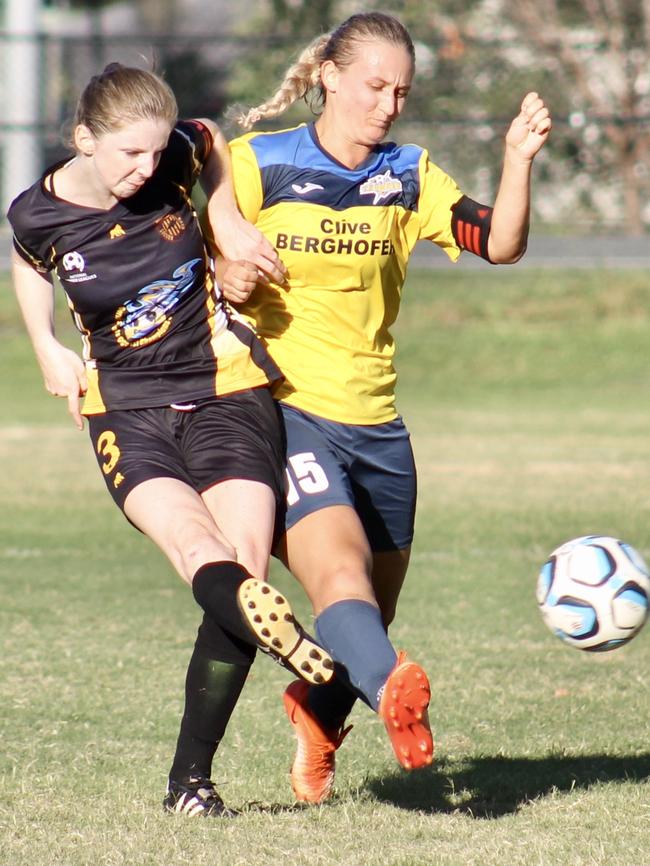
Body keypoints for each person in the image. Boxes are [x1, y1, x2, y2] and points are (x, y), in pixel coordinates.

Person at [218, 11, 551, 805]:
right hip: (286, 412)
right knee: (340, 580)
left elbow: (499, 242)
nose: (388, 105)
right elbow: (198, 257)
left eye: (401, 91)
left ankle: (318, 706)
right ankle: (398, 693)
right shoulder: (256, 163)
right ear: (329, 76)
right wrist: (227, 274)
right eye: (374, 85)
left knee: (366, 615)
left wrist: (517, 160)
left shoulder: (409, 173)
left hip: (381, 430)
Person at [6, 63, 335, 818]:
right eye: (128, 155)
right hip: (122, 408)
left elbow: (212, 139)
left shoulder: (177, 156)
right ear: (84, 140)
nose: (146, 170)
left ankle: (190, 781)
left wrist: (225, 217)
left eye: (156, 155)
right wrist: (45, 344)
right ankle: (256, 679)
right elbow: (29, 263)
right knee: (198, 551)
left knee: (245, 567)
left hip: (225, 386)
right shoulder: (38, 213)